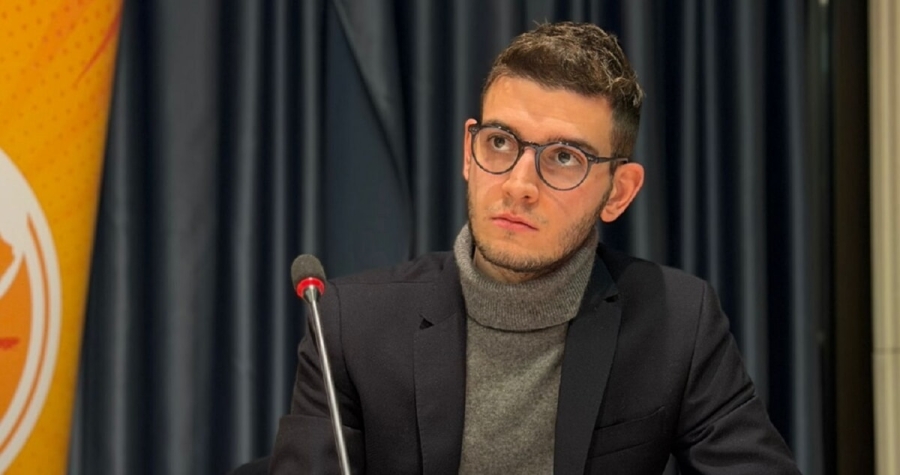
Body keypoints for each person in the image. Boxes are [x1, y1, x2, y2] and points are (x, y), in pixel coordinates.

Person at [269, 21, 800, 474]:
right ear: (469, 153)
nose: (519, 184)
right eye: (500, 143)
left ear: (619, 192)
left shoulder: (677, 322)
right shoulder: (349, 326)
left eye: (564, 157)